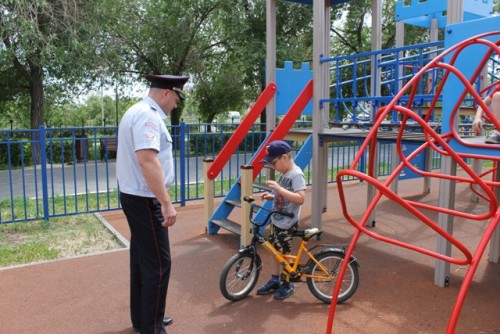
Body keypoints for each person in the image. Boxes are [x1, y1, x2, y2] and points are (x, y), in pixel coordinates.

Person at [116, 74, 189, 334]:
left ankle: (143, 319)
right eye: (177, 98)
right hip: (146, 199)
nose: (177, 104)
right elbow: (147, 160)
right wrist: (166, 203)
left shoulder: (137, 110)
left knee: (141, 260)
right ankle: (152, 327)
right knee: (158, 264)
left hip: (134, 195)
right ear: (166, 93)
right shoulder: (148, 115)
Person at [256, 140, 306, 300]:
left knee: (284, 254)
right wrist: (273, 195)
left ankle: (288, 282)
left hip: (287, 222)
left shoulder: (296, 174)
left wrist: (279, 189)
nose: (273, 166)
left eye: (274, 163)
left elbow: (300, 198)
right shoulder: (284, 173)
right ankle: (274, 279)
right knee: (275, 252)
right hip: (277, 219)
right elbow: (286, 196)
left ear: (284, 157)